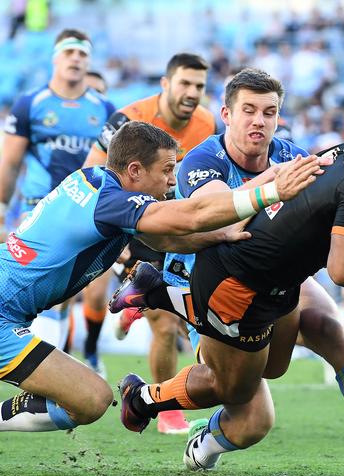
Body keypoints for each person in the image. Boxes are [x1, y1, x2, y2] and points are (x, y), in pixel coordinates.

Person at [112, 107, 344, 476]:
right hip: (236, 286)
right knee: (236, 395)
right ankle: (142, 394)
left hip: (281, 279)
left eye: (270, 111)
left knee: (318, 338)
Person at [0, 120, 323, 433]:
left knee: (93, 397)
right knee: (89, 400)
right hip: (3, 313)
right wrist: (271, 191)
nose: (173, 181)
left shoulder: (96, 182)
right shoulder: (110, 201)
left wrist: (219, 236)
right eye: (167, 170)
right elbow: (191, 216)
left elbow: (166, 240)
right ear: (135, 171)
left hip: (9, 310)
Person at [82, 53, 215, 433]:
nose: (192, 93)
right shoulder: (127, 120)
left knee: (174, 318)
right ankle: (168, 416)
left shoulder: (207, 123)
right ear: (165, 83)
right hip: (133, 221)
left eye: (199, 86)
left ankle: (133, 305)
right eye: (185, 84)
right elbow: (92, 175)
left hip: (178, 224)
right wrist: (117, 240)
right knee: (165, 324)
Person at [0, 28, 115, 352]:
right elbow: (9, 162)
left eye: (83, 54)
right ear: (55, 58)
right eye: (70, 52)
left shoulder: (104, 109)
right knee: (36, 291)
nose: (76, 59)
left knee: (61, 296)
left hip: (83, 211)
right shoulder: (30, 104)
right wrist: (1, 207)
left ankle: (55, 369)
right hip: (38, 207)